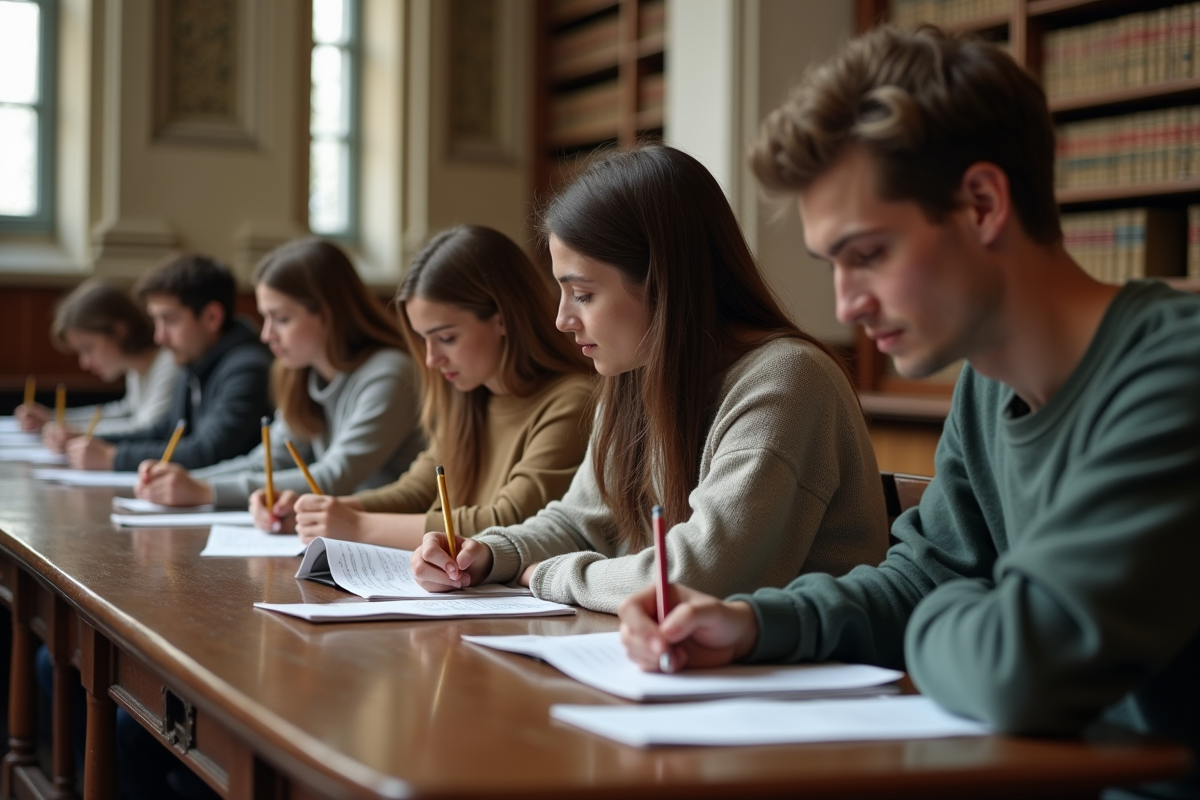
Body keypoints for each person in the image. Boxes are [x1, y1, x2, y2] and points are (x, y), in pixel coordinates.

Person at [617, 26, 1200, 800]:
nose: (844, 304)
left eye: (869, 254)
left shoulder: (1174, 373)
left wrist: (952, 607)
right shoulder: (987, 385)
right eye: (833, 265)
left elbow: (1021, 670)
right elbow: (921, 579)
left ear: (983, 203)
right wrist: (752, 624)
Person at [410, 145, 889, 613]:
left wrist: (551, 575)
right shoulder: (637, 377)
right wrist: (489, 554)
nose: (562, 320)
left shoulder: (787, 381)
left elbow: (698, 576)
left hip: (801, 681)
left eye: (583, 294)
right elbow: (581, 522)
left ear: (663, 283)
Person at [253, 225, 594, 548]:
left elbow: (509, 520)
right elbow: (417, 491)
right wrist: (320, 512)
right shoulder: (468, 397)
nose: (431, 359)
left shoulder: (570, 400)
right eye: (422, 339)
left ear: (502, 318)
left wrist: (355, 525)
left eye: (446, 338)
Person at [133, 238, 424, 509]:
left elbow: (333, 477)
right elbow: (268, 463)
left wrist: (203, 491)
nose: (267, 335)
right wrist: (185, 478)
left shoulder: (389, 372)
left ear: (328, 313)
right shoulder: (302, 374)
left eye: (281, 318)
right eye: (265, 317)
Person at [66, 254, 273, 471]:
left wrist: (114, 458)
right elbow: (165, 431)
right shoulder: (193, 359)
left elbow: (208, 451)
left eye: (170, 320)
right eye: (156, 320)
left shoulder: (248, 368)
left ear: (212, 317)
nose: (159, 337)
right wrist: (93, 442)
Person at [14, 279, 178, 448]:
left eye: (87, 348)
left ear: (118, 331)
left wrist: (78, 434)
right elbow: (126, 411)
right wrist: (55, 418)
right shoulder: (136, 370)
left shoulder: (170, 365)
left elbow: (146, 429)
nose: (85, 363)